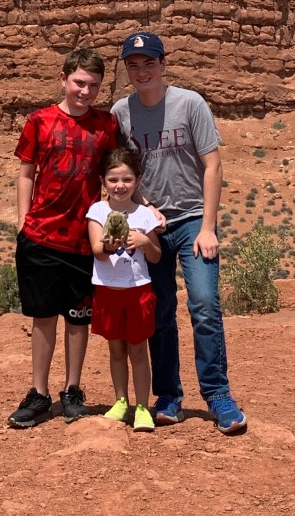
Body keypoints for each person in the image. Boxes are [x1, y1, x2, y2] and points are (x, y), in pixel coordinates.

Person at [111, 31, 247, 434]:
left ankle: (218, 395)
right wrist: (140, 208)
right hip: (150, 226)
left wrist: (207, 227)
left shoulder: (190, 104)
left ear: (163, 65)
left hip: (192, 222)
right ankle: (168, 395)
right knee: (160, 312)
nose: (142, 72)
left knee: (203, 304)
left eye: (149, 64)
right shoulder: (121, 112)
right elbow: (123, 171)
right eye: (134, 66)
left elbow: (213, 165)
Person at [7, 47, 119, 429]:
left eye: (93, 85)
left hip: (84, 239)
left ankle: (72, 390)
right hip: (41, 236)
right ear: (63, 79)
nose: (85, 91)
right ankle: (39, 394)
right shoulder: (39, 121)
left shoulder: (106, 125)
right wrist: (23, 222)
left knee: (77, 318)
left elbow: (115, 176)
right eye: (79, 83)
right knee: (43, 317)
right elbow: (26, 173)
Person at [87, 148, 162, 432]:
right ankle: (121, 401)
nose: (120, 186)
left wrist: (144, 241)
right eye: (113, 179)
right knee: (116, 350)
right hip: (108, 291)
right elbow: (97, 252)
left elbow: (156, 256)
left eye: (127, 179)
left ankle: (142, 407)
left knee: (139, 351)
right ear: (103, 181)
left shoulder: (144, 215)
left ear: (138, 181)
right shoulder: (97, 211)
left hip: (137, 291)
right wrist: (109, 244)